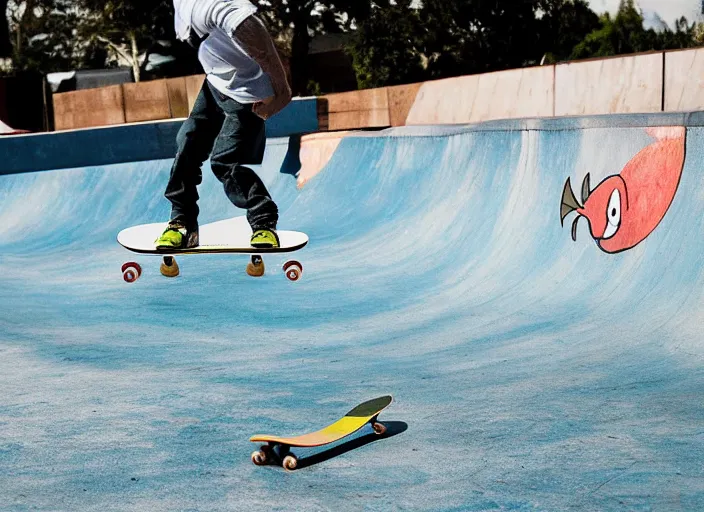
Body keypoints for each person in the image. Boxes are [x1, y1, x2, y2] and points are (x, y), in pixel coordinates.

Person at [156, 0, 292, 250]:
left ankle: (264, 222)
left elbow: (250, 25)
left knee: (225, 161)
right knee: (187, 144)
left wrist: (281, 90)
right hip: (215, 85)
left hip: (248, 94)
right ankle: (182, 223)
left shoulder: (209, 3)